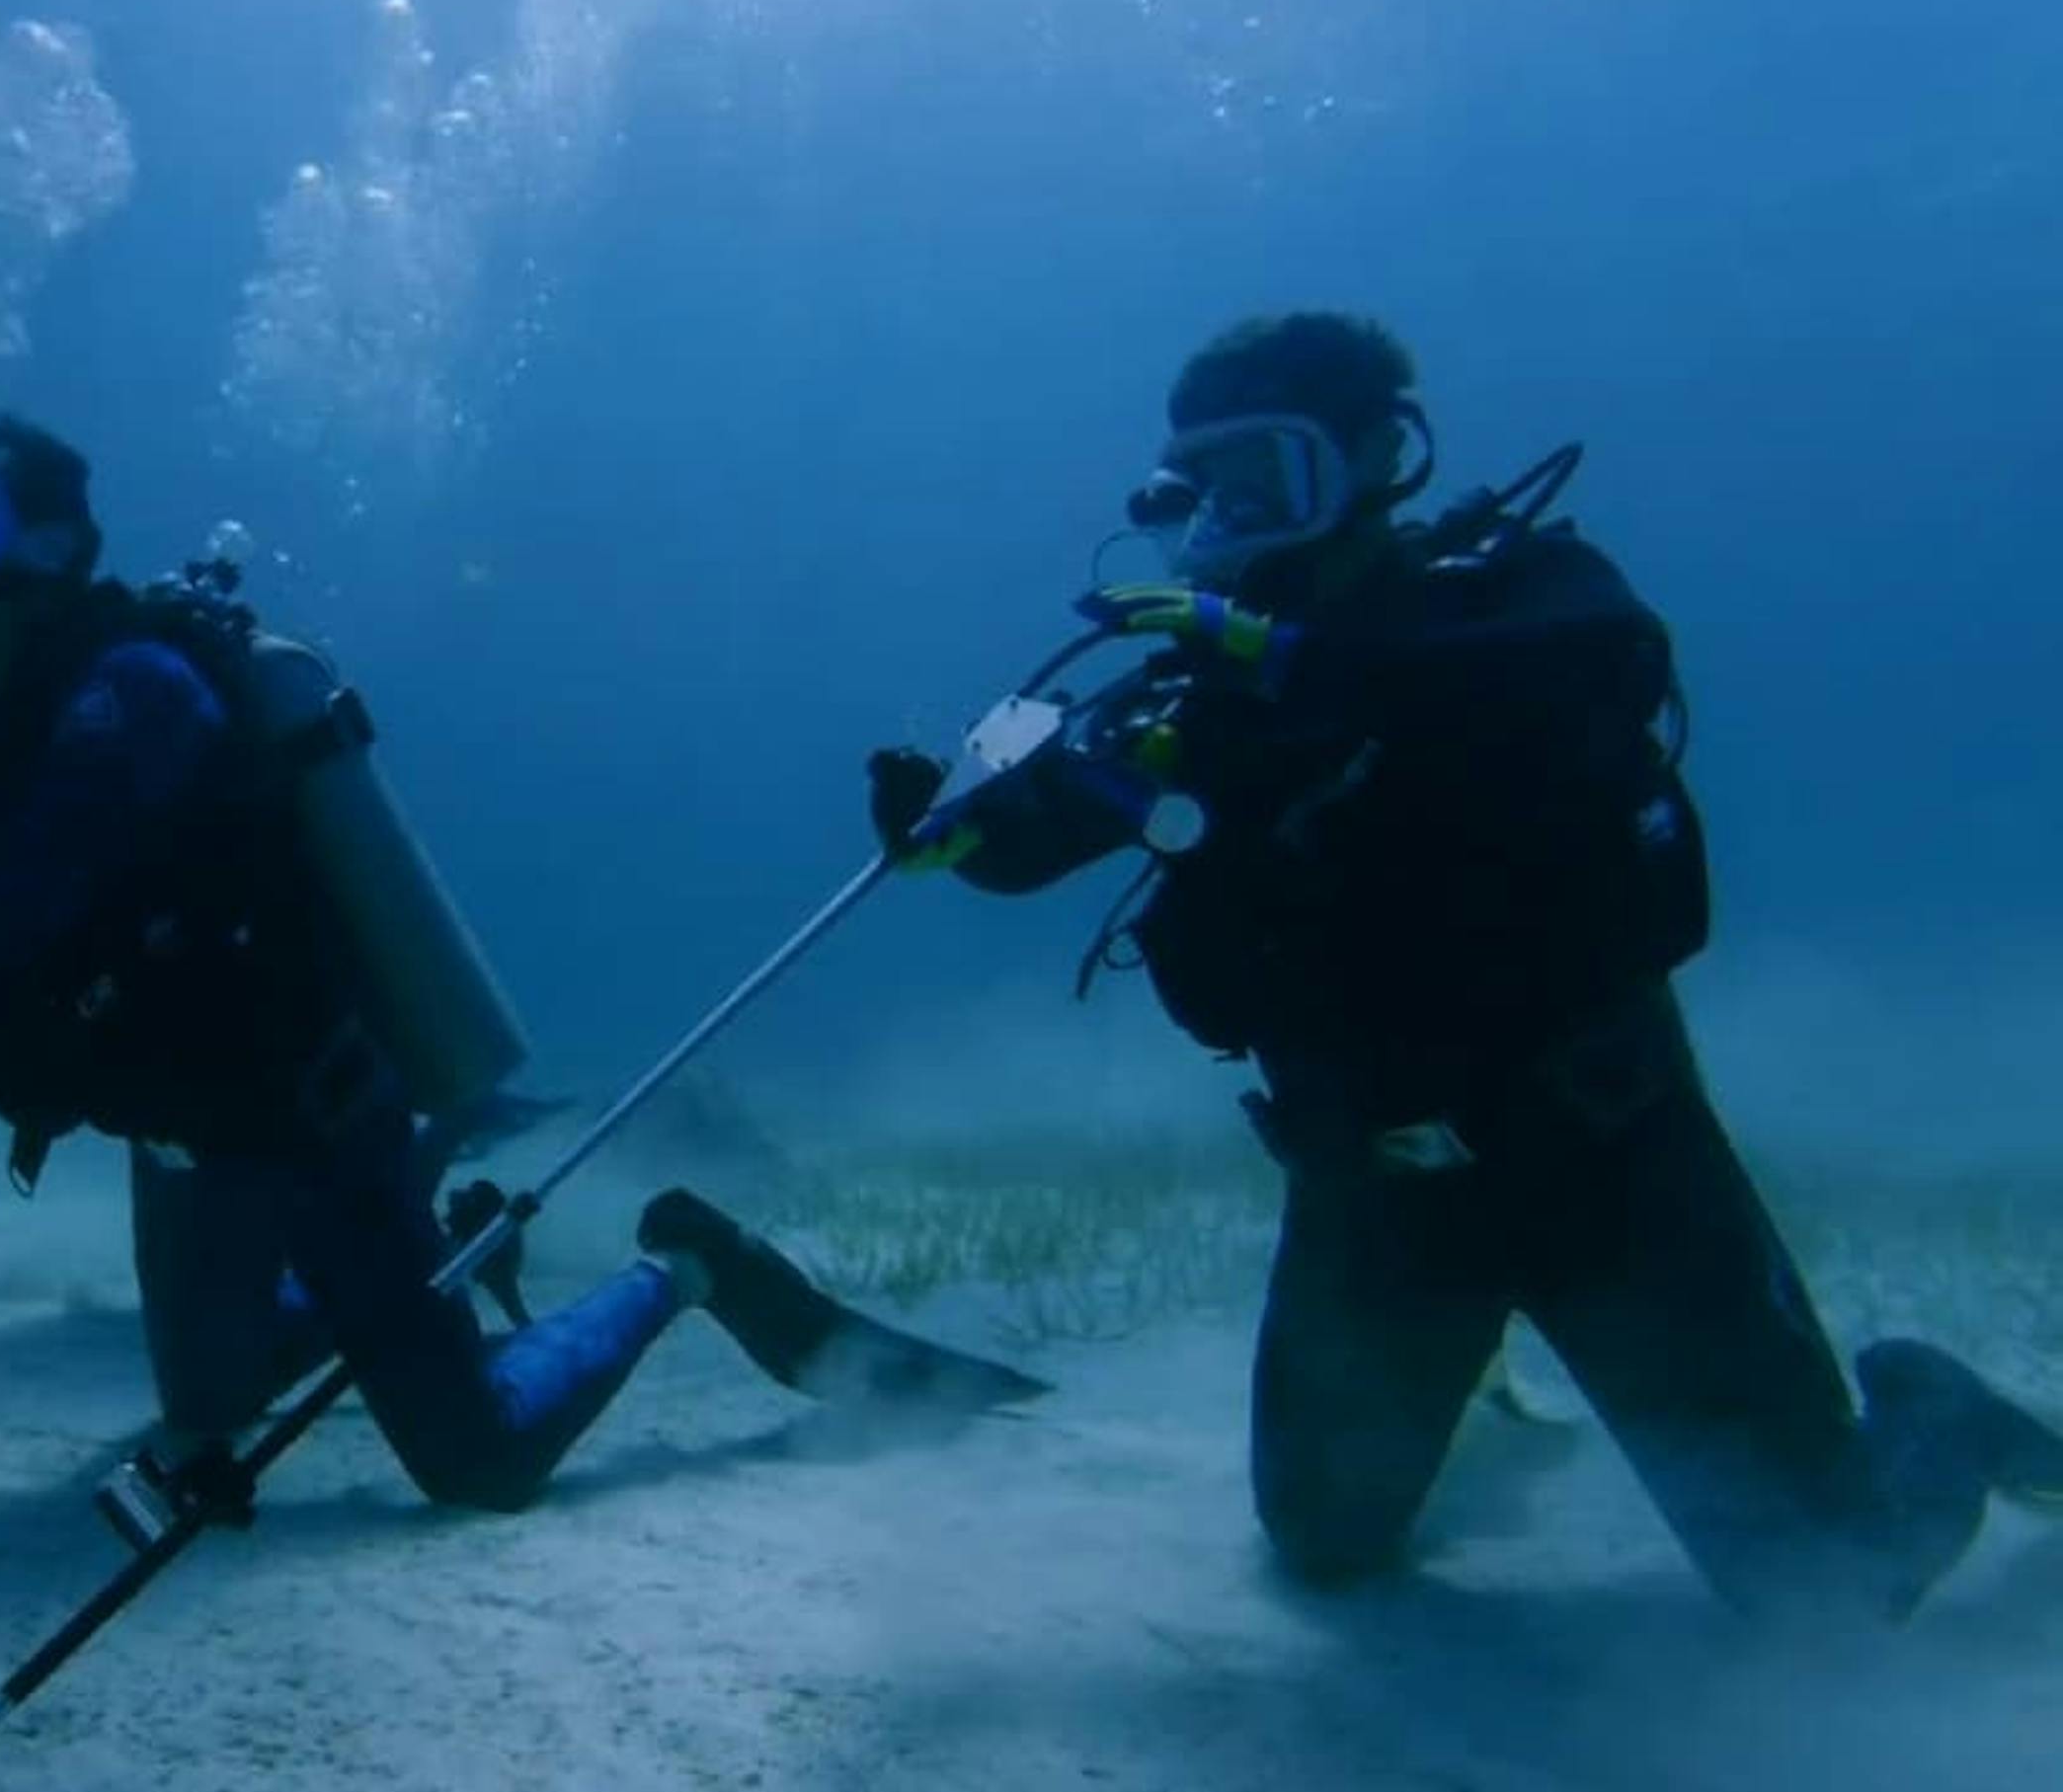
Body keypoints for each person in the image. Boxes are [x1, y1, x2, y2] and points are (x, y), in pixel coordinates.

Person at [865, 311, 2063, 1625]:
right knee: (1322, 1541)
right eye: (1213, 482)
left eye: (1276, 469)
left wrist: (1276, 652)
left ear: (1381, 453)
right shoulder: (1192, 700)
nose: (1237, 510)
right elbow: (1033, 846)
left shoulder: (1518, 595)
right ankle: (1476, 1393)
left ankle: (1935, 1415)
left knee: (1826, 1590)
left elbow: (1569, 672)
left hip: (1605, 1166)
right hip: (1372, 1197)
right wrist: (954, 827)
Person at [0, 408, 871, 1518]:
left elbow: (9, 917)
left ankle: (680, 1262)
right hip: (178, 1146)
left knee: (479, 1462)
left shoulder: (140, 689)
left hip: (309, 1122)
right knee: (213, 1403)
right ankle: (442, 1264)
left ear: (43, 543)